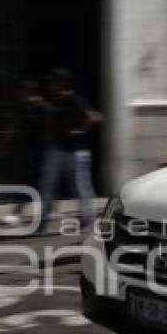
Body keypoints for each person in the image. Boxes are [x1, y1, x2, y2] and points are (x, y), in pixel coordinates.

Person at [39, 69, 101, 231]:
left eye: (54, 82)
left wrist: (79, 130)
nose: (51, 86)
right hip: (57, 150)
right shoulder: (54, 101)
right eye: (51, 83)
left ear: (62, 84)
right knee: (48, 184)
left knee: (80, 187)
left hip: (76, 151)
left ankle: (88, 220)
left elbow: (95, 117)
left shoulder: (74, 99)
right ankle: (43, 218)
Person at [1, 79, 52, 226]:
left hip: (40, 152)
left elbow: (49, 132)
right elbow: (16, 128)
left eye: (22, 93)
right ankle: (22, 212)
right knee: (31, 183)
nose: (20, 96)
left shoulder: (44, 109)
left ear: (30, 92)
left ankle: (18, 213)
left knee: (33, 183)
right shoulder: (24, 107)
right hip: (28, 151)